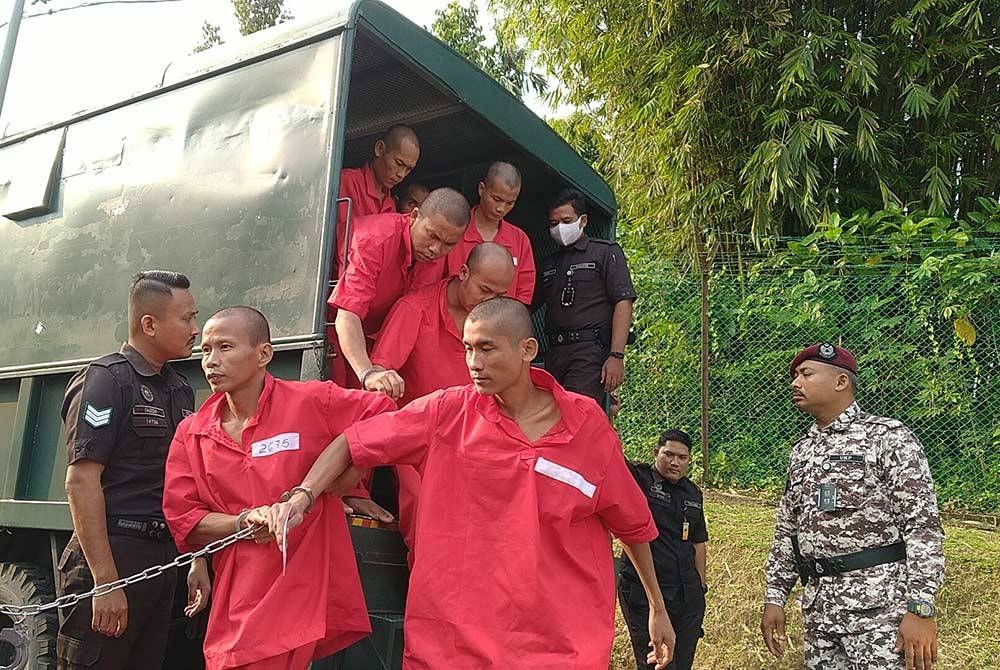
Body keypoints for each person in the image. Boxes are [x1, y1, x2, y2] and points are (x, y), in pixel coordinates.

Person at [263, 297, 677, 669]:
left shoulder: (588, 427)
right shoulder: (447, 412)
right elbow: (351, 443)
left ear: (527, 350)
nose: (473, 362)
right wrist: (303, 495)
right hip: (451, 646)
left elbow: (632, 526)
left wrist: (657, 608)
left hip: (559, 647)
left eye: (487, 348)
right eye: (467, 348)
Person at [162, 307, 396, 670]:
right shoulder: (191, 433)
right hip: (239, 591)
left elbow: (383, 414)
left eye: (225, 347)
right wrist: (243, 522)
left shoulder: (309, 401)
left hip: (301, 582)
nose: (211, 361)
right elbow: (185, 521)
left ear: (264, 354)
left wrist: (346, 480)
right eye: (205, 350)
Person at [58, 271, 209, 670]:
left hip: (163, 559)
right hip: (114, 553)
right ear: (149, 324)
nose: (196, 329)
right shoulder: (107, 380)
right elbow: (82, 480)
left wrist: (196, 560)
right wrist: (106, 581)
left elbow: (186, 484)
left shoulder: (180, 389)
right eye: (187, 318)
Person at [761, 343, 945, 670]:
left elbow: (922, 526)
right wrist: (775, 595)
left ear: (841, 382)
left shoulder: (887, 437)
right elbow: (788, 530)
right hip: (820, 615)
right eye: (794, 376)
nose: (795, 382)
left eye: (806, 374)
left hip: (880, 617)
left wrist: (921, 607)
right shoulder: (802, 451)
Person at [366, 241, 515, 558]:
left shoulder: (497, 325)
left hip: (478, 437)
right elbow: (379, 375)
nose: (491, 302)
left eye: (500, 296)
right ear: (463, 273)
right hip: (417, 438)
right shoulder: (415, 310)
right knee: (428, 510)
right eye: (485, 290)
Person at [329, 187, 470, 389]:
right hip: (345, 339)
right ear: (414, 216)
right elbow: (347, 314)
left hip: (388, 346)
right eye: (432, 236)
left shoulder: (440, 257)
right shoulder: (374, 239)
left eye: (449, 244)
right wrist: (368, 373)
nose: (436, 249)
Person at [535, 188, 636, 404]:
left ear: (582, 220)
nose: (560, 228)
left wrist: (617, 356)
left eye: (566, 220)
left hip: (590, 353)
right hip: (554, 354)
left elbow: (623, 301)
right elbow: (527, 305)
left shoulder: (605, 252)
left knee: (577, 414)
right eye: (554, 223)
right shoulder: (548, 264)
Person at [619, 429, 708, 670]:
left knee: (682, 664)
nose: (675, 463)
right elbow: (611, 453)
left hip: (687, 594)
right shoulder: (638, 479)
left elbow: (698, 540)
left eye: (682, 458)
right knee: (657, 665)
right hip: (645, 592)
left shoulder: (692, 493)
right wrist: (609, 413)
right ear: (655, 453)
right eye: (669, 454)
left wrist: (700, 585)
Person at [444, 162, 535, 305]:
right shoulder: (455, 228)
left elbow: (524, 291)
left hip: (497, 323)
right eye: (496, 199)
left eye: (510, 203)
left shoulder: (520, 239)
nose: (501, 208)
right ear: (481, 189)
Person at [334, 124, 420, 275]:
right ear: (379, 149)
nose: (401, 174)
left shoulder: (391, 205)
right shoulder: (345, 181)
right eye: (399, 163)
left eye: (408, 169)